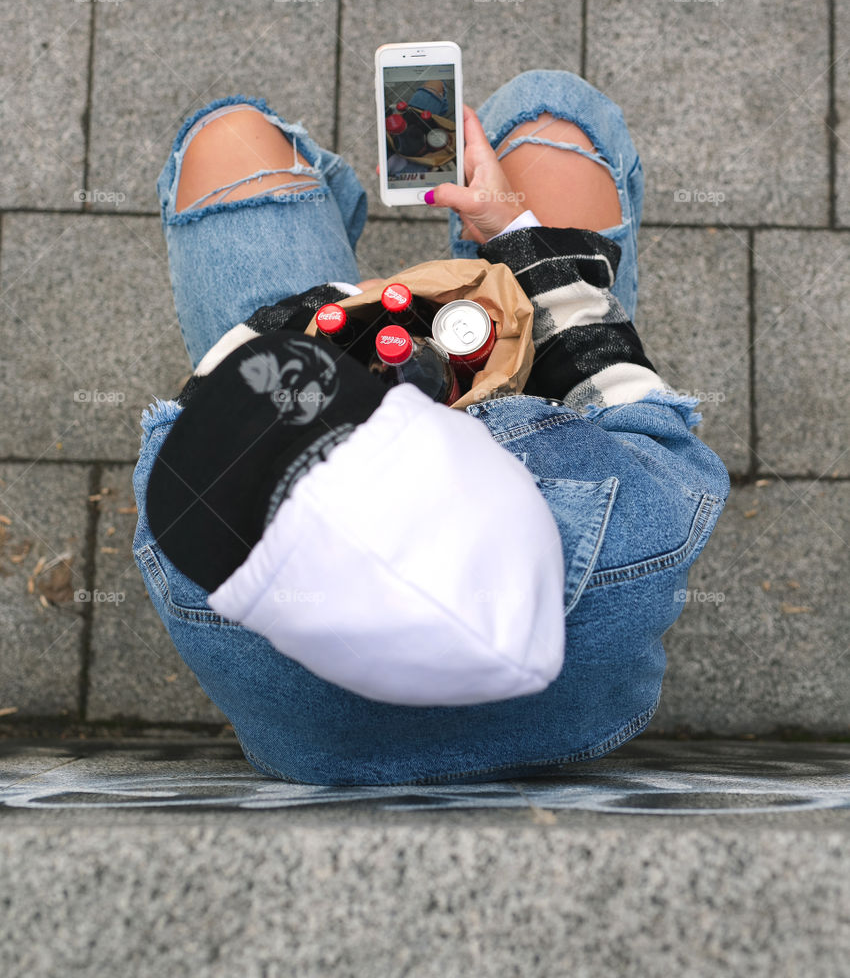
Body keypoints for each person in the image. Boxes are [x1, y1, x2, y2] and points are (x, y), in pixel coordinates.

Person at [133, 69, 730, 786]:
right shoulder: (642, 528)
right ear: (476, 436)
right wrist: (512, 231)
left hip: (319, 755)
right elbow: (632, 401)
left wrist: (323, 306)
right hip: (575, 732)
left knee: (227, 137)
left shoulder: (194, 561)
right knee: (552, 114)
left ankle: (327, 212)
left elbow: (204, 394)